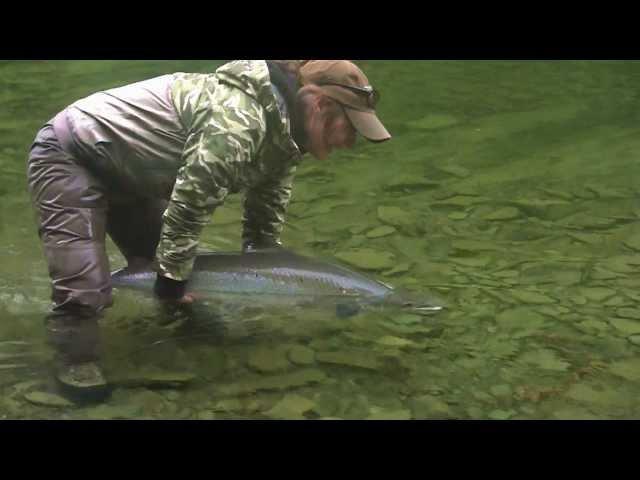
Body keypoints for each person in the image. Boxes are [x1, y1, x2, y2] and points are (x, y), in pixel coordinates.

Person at [27, 59, 391, 398]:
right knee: (90, 289)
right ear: (320, 105)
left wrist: (278, 274)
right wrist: (172, 283)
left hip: (133, 174)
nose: (349, 141)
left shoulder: (286, 136)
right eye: (350, 127)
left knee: (175, 266)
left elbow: (264, 220)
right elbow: (190, 202)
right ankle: (77, 362)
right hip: (72, 155)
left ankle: (181, 334)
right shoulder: (238, 121)